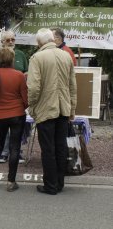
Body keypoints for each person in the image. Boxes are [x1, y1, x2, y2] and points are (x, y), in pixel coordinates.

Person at [27, 28, 77, 195]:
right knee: (60, 147)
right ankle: (59, 183)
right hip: (63, 109)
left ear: (39, 42)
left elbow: (33, 88)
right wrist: (72, 108)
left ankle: (50, 185)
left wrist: (32, 106)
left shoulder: (37, 58)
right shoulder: (66, 56)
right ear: (52, 40)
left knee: (48, 149)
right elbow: (72, 86)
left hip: (45, 110)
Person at [0, 48, 28, 191]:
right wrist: (24, 105)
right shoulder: (19, 75)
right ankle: (11, 182)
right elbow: (25, 97)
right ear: (11, 60)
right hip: (17, 114)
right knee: (14, 147)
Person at [0, 30, 28, 163]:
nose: (11, 42)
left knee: (19, 130)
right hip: (2, 100)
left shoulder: (21, 55)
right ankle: (4, 152)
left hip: (19, 99)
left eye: (13, 39)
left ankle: (17, 152)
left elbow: (27, 73)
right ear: (2, 42)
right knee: (3, 131)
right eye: (8, 40)